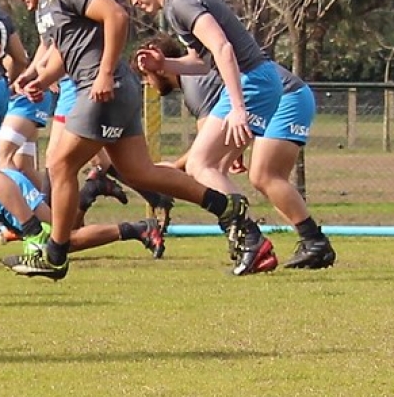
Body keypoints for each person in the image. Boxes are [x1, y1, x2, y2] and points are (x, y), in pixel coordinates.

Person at [10, 0, 261, 280]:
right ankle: (226, 206)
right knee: (140, 173)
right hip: (113, 88)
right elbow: (69, 53)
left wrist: (104, 73)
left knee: (59, 163)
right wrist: (39, 80)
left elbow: (116, 16)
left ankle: (55, 255)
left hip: (103, 89)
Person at [121, 0, 297, 273]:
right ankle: (249, 241)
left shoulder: (181, 1)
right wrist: (164, 64)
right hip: (256, 80)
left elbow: (223, 48)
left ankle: (251, 238)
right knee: (210, 167)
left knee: (200, 164)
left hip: (252, 81)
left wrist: (238, 108)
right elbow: (201, 62)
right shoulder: (178, 5)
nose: (134, 1)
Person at [134, 32, 334, 268]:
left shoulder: (195, 85)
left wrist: (169, 171)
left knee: (260, 175)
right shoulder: (194, 82)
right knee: (251, 174)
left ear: (160, 69)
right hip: (287, 95)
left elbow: (203, 150)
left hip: (288, 97)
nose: (147, 83)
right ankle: (308, 241)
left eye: (145, 75)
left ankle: (261, 239)